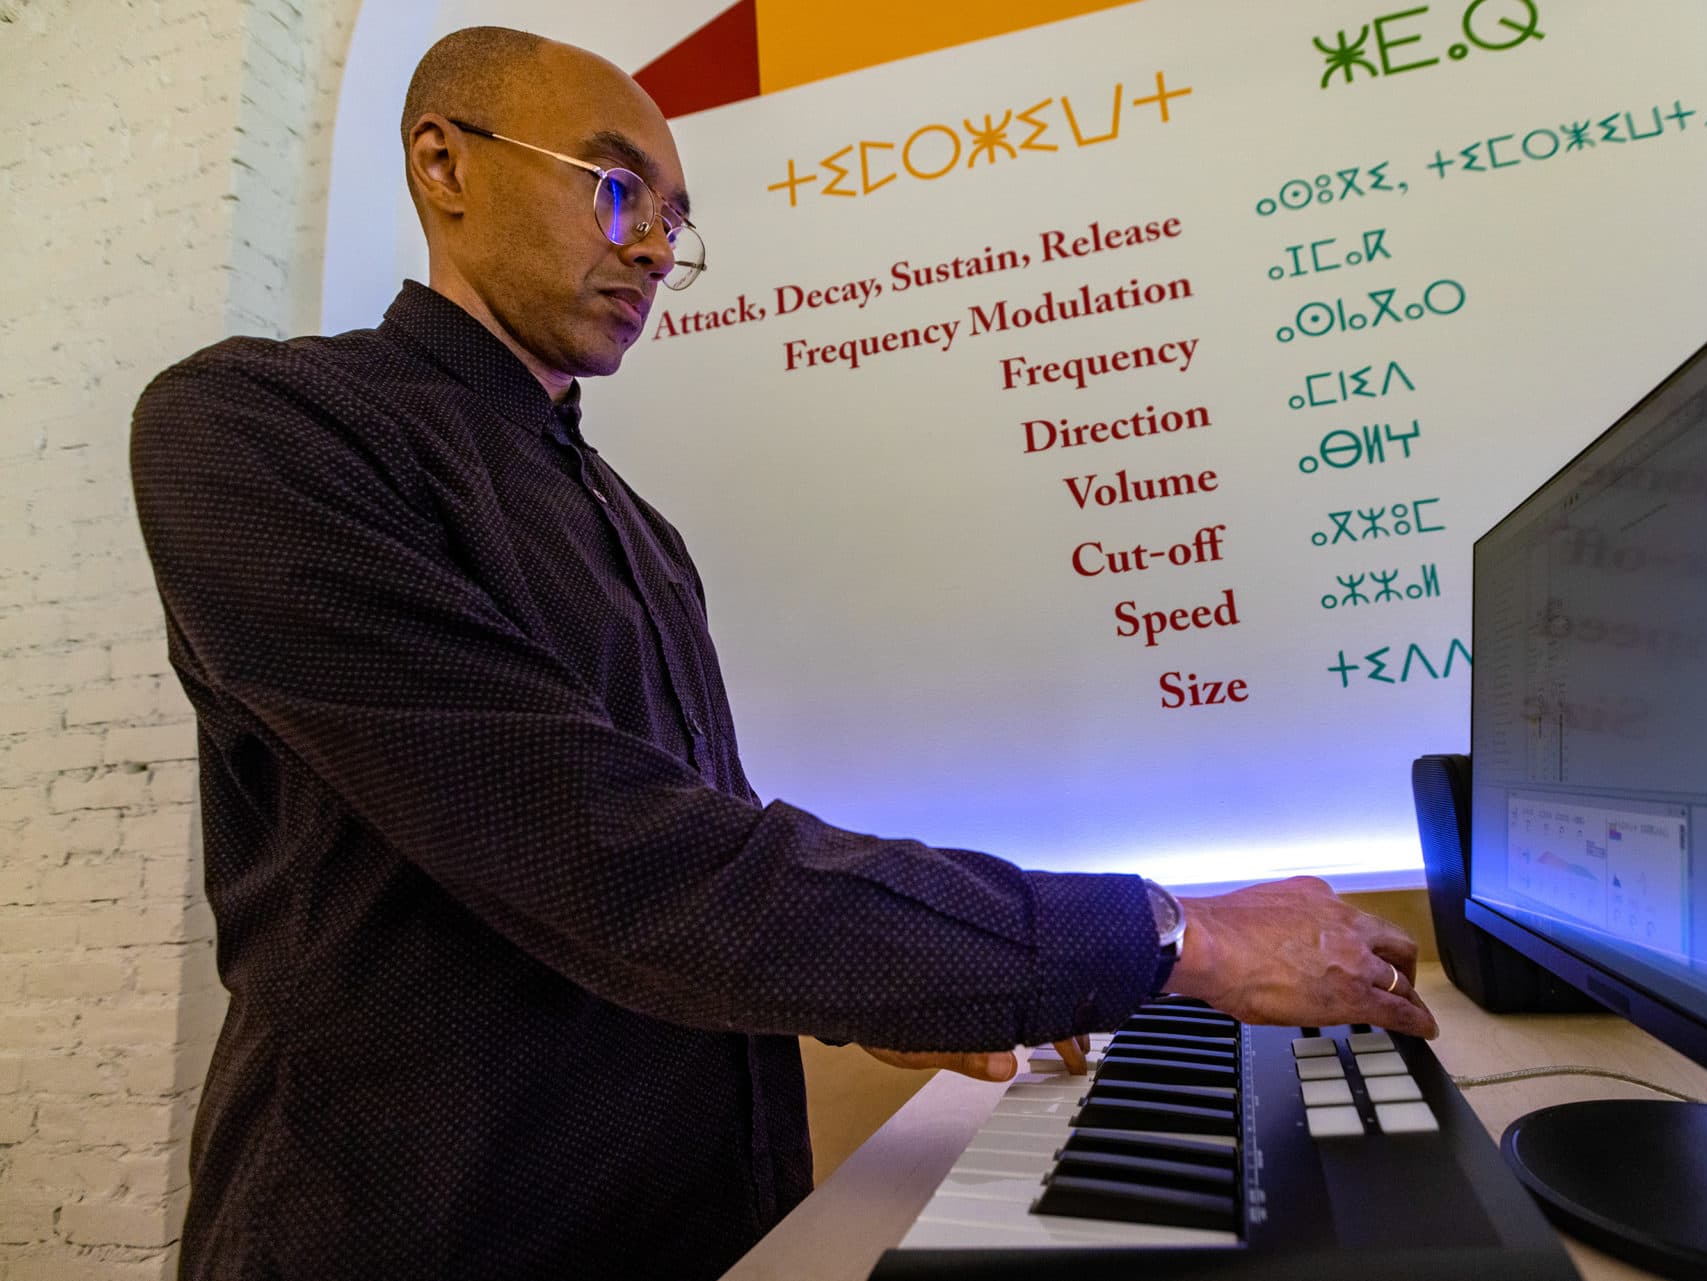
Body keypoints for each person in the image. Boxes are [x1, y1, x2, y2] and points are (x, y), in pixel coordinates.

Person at [129, 25, 1436, 1281]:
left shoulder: (640, 531)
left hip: (700, 1219)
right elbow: (608, 854)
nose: (652, 250)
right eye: (618, 189)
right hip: (425, 1231)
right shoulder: (261, 429)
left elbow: (713, 847)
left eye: (676, 223)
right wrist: (1172, 934)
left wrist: (916, 985)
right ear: (444, 163)